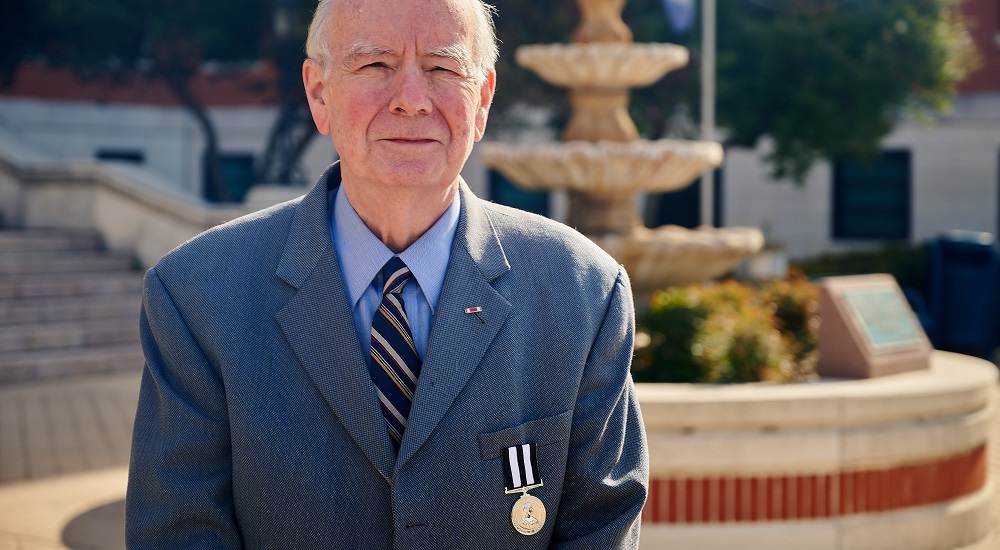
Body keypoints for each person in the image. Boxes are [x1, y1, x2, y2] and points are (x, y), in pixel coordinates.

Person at [125, 0, 648, 547]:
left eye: (443, 68)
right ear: (319, 93)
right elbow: (178, 534)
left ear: (483, 99)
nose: (412, 101)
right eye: (375, 65)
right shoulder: (196, 296)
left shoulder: (583, 292)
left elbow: (600, 527)